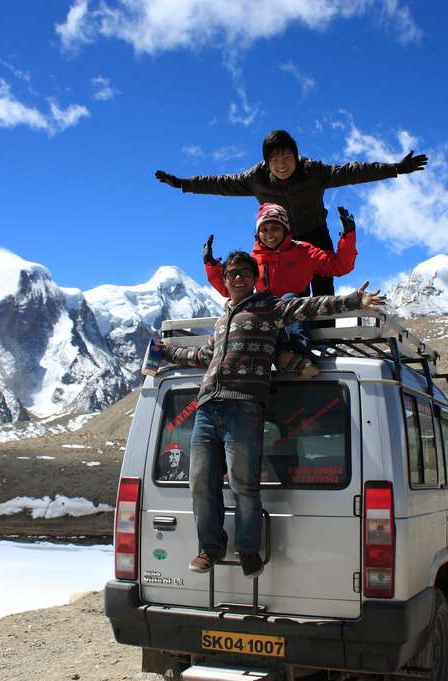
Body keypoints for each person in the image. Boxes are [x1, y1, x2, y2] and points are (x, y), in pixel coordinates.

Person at [154, 251, 387, 577]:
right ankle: (210, 548)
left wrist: (354, 300)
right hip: (207, 407)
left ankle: (248, 549)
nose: (238, 277)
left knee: (244, 483)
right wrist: (167, 352)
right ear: (225, 281)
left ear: (254, 278)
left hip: (244, 406)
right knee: (200, 483)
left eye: (244, 272)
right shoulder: (221, 321)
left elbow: (310, 306)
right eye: (232, 273)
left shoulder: (269, 308)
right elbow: (203, 356)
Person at [155, 129, 426, 296]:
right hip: (280, 242)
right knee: (290, 293)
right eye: (275, 160)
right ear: (267, 162)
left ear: (296, 157)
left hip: (315, 234)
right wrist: (184, 184)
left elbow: (352, 172)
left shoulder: (314, 171)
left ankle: (323, 340)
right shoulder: (256, 178)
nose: (282, 165)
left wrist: (395, 168)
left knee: (323, 289)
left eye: (287, 158)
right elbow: (220, 183)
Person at [204, 202, 359, 376]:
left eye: (275, 228)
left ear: (285, 229)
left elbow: (339, 265)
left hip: (299, 313)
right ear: (258, 233)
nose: (269, 234)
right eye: (264, 229)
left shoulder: (304, 252)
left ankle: (302, 357)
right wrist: (211, 265)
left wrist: (348, 235)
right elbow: (232, 289)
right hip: (267, 317)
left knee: (288, 299)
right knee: (256, 313)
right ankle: (287, 359)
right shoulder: (254, 260)